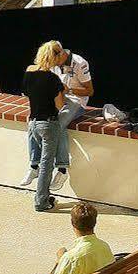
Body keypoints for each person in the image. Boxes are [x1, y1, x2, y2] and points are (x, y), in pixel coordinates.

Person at [18, 42, 68, 210]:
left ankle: (41, 193)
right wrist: (62, 91)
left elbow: (26, 93)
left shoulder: (29, 72)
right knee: (47, 165)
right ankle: (41, 201)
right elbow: (60, 105)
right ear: (54, 57)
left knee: (39, 162)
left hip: (32, 122)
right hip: (48, 123)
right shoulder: (53, 79)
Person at [51, 47, 94, 185]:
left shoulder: (80, 63)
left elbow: (89, 91)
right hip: (59, 99)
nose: (54, 65)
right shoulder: (53, 62)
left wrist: (68, 89)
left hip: (76, 102)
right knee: (44, 122)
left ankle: (61, 169)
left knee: (57, 125)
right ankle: (52, 167)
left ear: (62, 55)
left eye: (55, 62)